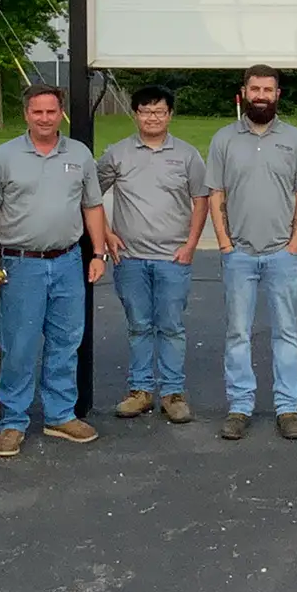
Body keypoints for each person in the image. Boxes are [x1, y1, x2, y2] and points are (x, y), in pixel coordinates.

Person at [0, 84, 109, 459]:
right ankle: (13, 422)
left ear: (61, 113)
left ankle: (60, 414)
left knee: (67, 341)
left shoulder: (79, 155)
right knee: (19, 345)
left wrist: (97, 253)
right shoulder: (4, 157)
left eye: (51, 112)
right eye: (38, 112)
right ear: (26, 114)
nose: (45, 119)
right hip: (21, 264)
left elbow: (92, 206)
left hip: (68, 261)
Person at [206, 64, 297, 441]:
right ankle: (240, 406)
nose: (261, 95)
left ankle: (287, 407)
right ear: (244, 92)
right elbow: (215, 194)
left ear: (277, 95)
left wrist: (294, 244)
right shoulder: (224, 139)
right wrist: (223, 241)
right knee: (238, 332)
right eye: (255, 89)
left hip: (281, 254)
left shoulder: (296, 140)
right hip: (238, 253)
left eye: (267, 90)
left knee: (286, 332)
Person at [97, 85, 209, 424]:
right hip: (129, 257)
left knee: (171, 326)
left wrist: (191, 244)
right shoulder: (117, 154)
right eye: (146, 112)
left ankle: (173, 393)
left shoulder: (188, 155)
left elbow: (201, 200)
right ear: (135, 114)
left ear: (170, 115)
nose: (153, 118)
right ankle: (140, 391)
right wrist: (105, 233)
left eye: (159, 111)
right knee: (139, 325)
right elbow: (89, 194)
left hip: (173, 258)